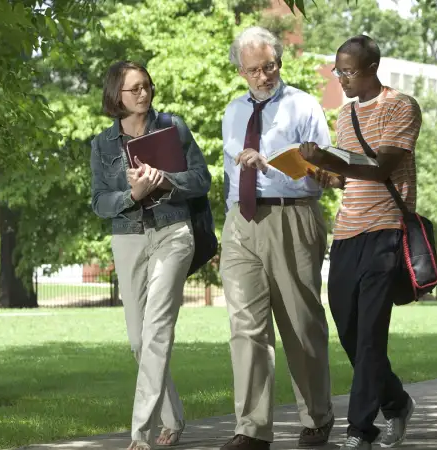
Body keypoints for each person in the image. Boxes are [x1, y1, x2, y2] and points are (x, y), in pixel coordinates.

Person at [298, 35, 422, 450]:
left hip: (386, 232)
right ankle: (397, 402)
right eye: (338, 71)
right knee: (350, 332)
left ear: (372, 68)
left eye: (348, 71)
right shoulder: (345, 115)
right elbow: (348, 177)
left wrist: (326, 159)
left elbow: (379, 166)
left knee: (371, 334)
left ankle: (359, 431)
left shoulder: (400, 106)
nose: (342, 78)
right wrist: (320, 173)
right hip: (347, 233)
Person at [219, 26, 335, 450]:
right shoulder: (232, 112)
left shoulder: (304, 106)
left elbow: (323, 173)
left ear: (279, 63)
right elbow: (233, 173)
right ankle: (251, 428)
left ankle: (317, 417)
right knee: (245, 327)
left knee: (301, 324)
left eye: (270, 66)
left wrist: (274, 165)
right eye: (254, 70)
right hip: (240, 221)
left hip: (293, 216)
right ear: (241, 71)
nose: (263, 76)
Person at [89, 60, 211, 450]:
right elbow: (98, 202)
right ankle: (173, 417)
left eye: (146, 86)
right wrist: (132, 195)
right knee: (139, 341)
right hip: (128, 237)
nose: (144, 93)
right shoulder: (102, 144)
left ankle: (140, 433)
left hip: (173, 232)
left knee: (157, 329)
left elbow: (201, 179)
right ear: (116, 97)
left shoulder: (172, 127)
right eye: (134, 89)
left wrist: (166, 180)